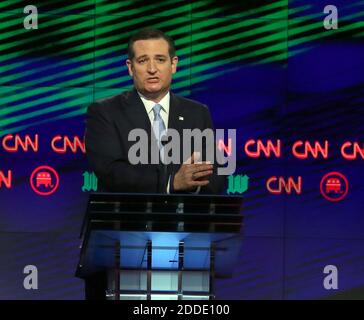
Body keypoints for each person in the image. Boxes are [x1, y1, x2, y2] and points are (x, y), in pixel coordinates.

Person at [84, 28, 225, 299]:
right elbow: (112, 173)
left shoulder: (197, 113)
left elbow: (215, 176)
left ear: (174, 64)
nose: (151, 68)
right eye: (142, 60)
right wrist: (174, 182)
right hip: (121, 248)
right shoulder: (104, 112)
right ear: (129, 67)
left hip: (185, 248)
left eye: (160, 59)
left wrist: (195, 183)